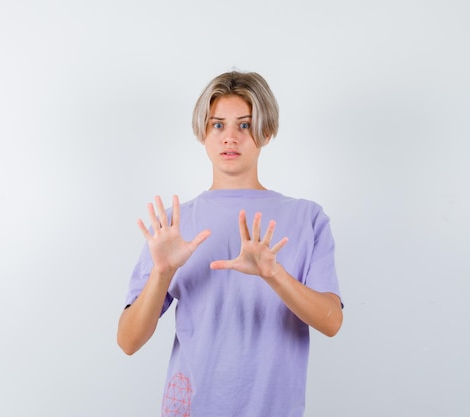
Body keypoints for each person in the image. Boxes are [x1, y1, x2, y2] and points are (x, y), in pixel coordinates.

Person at [117, 70, 343, 417]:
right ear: (203, 133)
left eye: (244, 125)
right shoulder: (174, 225)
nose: (230, 138)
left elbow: (331, 323)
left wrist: (273, 274)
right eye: (218, 125)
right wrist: (162, 271)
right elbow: (128, 341)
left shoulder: (306, 218)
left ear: (266, 132)